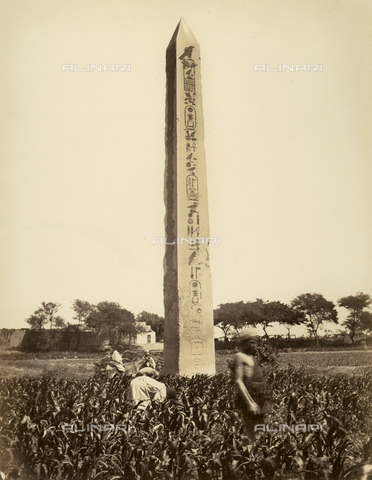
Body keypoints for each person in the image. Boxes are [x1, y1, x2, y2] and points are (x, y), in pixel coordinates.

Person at [234, 327, 272, 441]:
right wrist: (249, 403)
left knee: (260, 426)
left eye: (256, 343)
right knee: (251, 427)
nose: (254, 345)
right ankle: (248, 451)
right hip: (251, 395)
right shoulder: (240, 356)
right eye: (251, 343)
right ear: (243, 342)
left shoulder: (252, 356)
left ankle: (257, 450)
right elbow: (238, 381)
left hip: (260, 394)